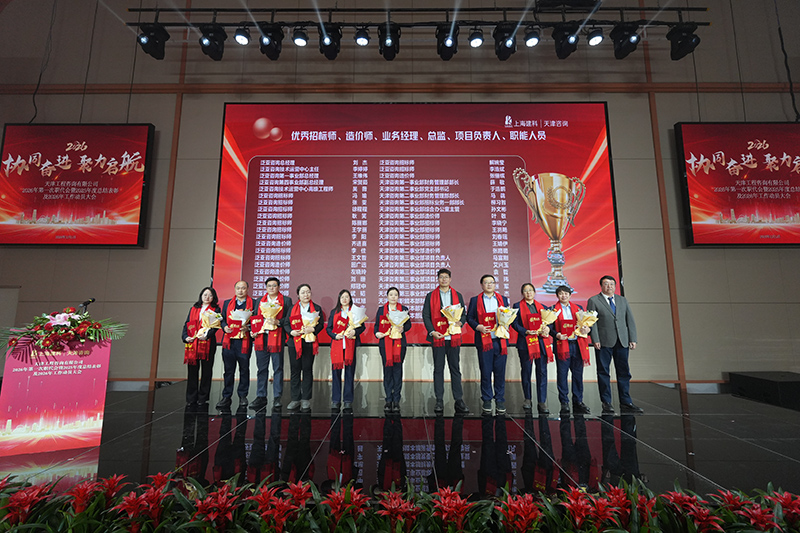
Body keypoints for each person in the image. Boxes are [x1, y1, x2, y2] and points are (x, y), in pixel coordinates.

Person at [587, 275, 643, 414]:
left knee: (624, 372)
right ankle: (606, 402)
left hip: (622, 341)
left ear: (615, 286)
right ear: (601, 286)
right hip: (603, 342)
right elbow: (591, 322)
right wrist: (595, 339)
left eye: (612, 284)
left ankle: (626, 401)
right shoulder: (594, 300)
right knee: (603, 372)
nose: (609, 286)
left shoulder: (622, 300)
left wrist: (633, 338)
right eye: (606, 284)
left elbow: (630, 320)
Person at [422, 268, 469, 414]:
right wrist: (432, 331)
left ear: (450, 279)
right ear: (438, 279)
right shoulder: (431, 296)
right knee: (438, 369)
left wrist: (461, 322)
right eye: (441, 277)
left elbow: (463, 314)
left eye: (446, 277)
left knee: (455, 369)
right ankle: (439, 400)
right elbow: (426, 315)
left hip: (453, 338)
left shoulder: (457, 295)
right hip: (438, 338)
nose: (444, 279)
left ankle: (459, 399)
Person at [467, 274, 510, 415]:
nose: (489, 284)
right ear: (482, 285)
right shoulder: (475, 300)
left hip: (500, 341)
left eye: (492, 282)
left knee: (500, 372)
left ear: (495, 284)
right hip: (484, 341)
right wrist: (478, 326)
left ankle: (500, 399)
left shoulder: (503, 299)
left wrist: (506, 324)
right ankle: (486, 398)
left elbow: (508, 316)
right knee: (485, 372)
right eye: (486, 282)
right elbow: (469, 317)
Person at [250, 277, 293, 412]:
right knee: (262, 369)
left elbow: (289, 319)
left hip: (277, 337)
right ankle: (261, 396)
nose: (272, 288)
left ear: (279, 287)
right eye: (269, 286)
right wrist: (253, 331)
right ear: (266, 287)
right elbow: (255, 318)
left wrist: (278, 322)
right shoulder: (259, 301)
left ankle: (277, 397)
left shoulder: (286, 300)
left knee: (278, 368)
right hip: (261, 338)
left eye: (274, 285)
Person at [551, 285, 591, 415]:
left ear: (570, 295)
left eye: (566, 293)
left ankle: (578, 401)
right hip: (562, 345)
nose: (564, 296)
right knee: (562, 375)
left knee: (578, 374)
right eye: (561, 293)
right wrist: (557, 334)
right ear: (557, 295)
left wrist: (587, 329)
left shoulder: (578, 308)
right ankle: (564, 402)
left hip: (577, 345)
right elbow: (549, 328)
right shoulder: (553, 310)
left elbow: (585, 324)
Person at [512, 283, 552, 414]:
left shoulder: (543, 307)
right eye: (525, 290)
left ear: (534, 292)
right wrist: (525, 331)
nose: (528, 293)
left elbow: (549, 323)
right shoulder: (517, 306)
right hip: (525, 343)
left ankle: (542, 400)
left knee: (542, 372)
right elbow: (514, 323)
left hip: (540, 343)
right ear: (522, 293)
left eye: (530, 290)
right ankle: (527, 398)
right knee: (526, 371)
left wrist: (547, 328)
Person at [284, 283, 325, 413]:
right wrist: (291, 332)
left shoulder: (316, 308)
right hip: (294, 343)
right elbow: (286, 324)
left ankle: (306, 398)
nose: (306, 294)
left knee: (307, 370)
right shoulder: (292, 308)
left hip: (308, 342)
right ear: (298, 295)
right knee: (295, 371)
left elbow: (321, 324)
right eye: (303, 292)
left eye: (308, 292)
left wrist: (313, 329)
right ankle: (295, 398)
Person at [218, 281, 257, 410]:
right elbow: (222, 319)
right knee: (228, 370)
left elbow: (256, 321)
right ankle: (226, 396)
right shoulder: (227, 303)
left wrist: (248, 327)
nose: (240, 290)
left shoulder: (254, 303)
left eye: (243, 288)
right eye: (238, 288)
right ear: (235, 289)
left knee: (244, 369)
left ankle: (242, 396)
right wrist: (225, 327)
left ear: (248, 289)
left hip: (244, 341)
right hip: (229, 341)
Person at [326, 289, 366, 413]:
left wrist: (355, 332)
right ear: (339, 299)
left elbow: (362, 327)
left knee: (349, 373)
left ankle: (348, 400)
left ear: (350, 299)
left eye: (346, 297)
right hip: (337, 345)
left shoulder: (354, 312)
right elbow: (329, 329)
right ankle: (336, 400)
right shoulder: (334, 312)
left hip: (350, 346)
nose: (344, 299)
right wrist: (334, 336)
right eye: (342, 297)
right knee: (336, 373)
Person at [374, 287, 412, 413]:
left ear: (398, 297)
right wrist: (377, 333)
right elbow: (376, 326)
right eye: (391, 294)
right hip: (385, 344)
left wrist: (403, 328)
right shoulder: (381, 310)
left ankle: (396, 400)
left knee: (397, 371)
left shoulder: (403, 309)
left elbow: (409, 324)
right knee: (387, 372)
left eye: (395, 295)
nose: (393, 297)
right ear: (387, 296)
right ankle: (388, 399)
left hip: (400, 344)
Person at [182, 286, 221, 406]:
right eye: (205, 295)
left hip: (208, 343)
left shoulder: (216, 309)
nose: (207, 297)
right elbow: (187, 324)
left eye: (210, 295)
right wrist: (185, 337)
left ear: (213, 297)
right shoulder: (194, 308)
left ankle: (203, 397)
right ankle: (191, 397)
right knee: (192, 371)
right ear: (201, 296)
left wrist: (207, 335)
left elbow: (215, 326)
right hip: (193, 343)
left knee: (206, 371)